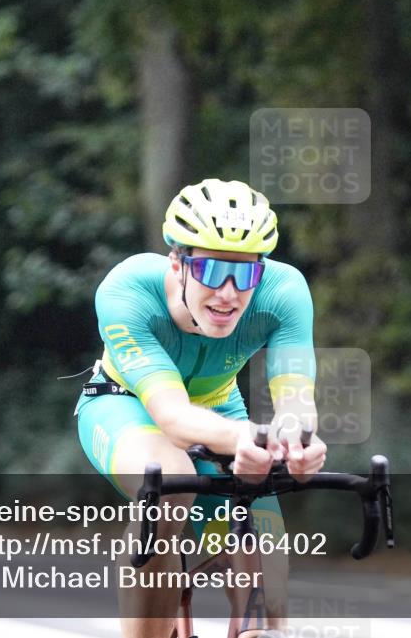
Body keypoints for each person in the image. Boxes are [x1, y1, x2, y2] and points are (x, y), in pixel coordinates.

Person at [76, 178, 327, 638]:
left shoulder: (285, 292)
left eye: (246, 274)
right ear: (178, 264)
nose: (229, 293)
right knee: (167, 482)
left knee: (268, 581)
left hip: (222, 410)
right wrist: (250, 437)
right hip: (127, 405)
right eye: (212, 271)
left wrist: (294, 440)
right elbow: (171, 416)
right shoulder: (128, 289)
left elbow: (295, 400)